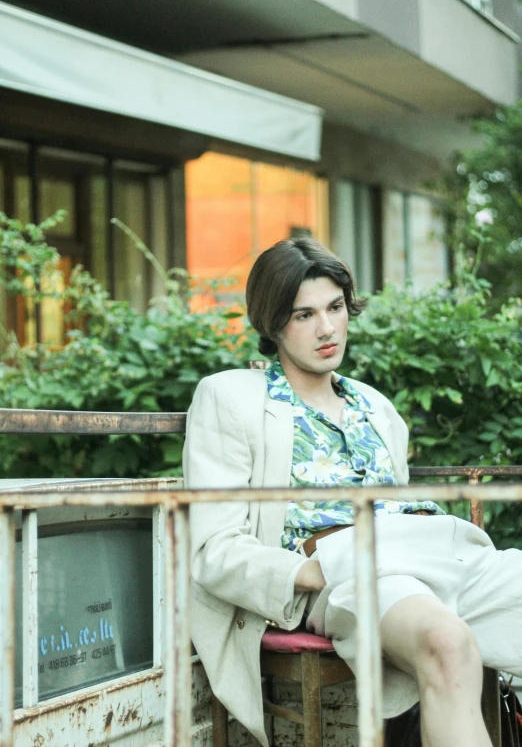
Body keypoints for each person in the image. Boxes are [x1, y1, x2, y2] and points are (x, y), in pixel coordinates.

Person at [183, 237, 522, 747]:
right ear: (273, 323)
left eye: (335, 307)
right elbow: (213, 549)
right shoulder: (231, 398)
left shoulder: (375, 406)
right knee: (446, 643)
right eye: (304, 315)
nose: (327, 328)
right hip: (348, 570)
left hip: (435, 550)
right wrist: (310, 570)